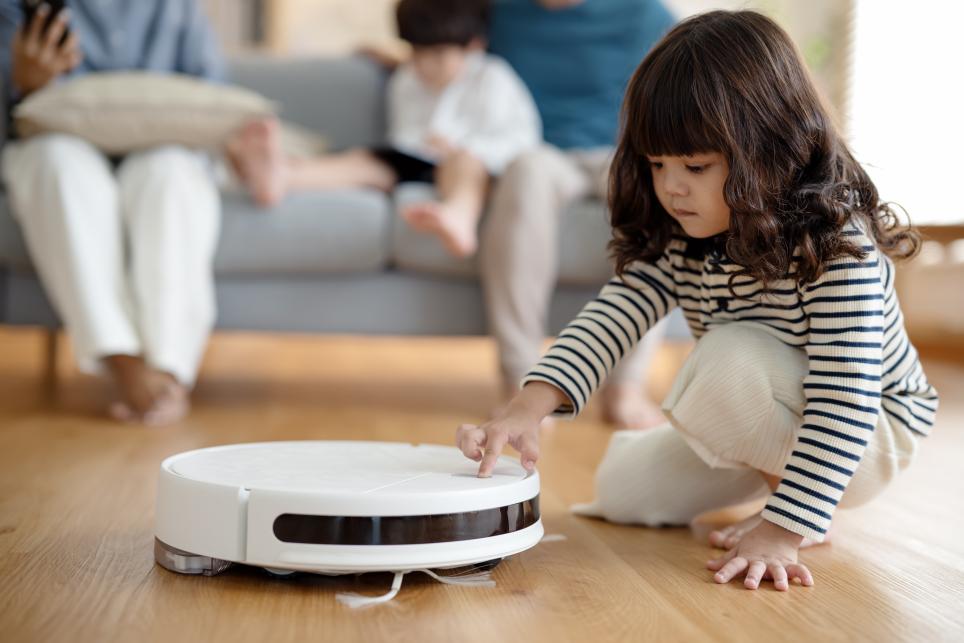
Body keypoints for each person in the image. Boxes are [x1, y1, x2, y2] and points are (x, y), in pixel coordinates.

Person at [455, 10, 938, 591]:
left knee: (723, 360)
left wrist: (784, 529)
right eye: (658, 164)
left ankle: (803, 505)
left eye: (695, 166)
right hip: (767, 421)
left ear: (770, 147)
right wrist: (527, 406)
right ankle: (779, 487)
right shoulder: (684, 236)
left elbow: (845, 398)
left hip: (869, 432)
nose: (671, 186)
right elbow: (613, 316)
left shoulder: (838, 249)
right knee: (623, 490)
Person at [0, 0, 225, 425]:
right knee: (55, 162)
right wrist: (24, 88)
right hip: (57, 143)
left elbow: (214, 94)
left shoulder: (177, 8)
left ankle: (167, 368)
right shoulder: (17, 9)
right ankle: (124, 363)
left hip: (161, 147)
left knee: (171, 170)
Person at [480, 0, 676, 427]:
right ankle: (521, 385)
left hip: (623, 153)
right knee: (524, 172)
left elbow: (685, 81)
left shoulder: (644, 15)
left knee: (664, 193)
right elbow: (460, 59)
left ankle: (627, 387)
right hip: (541, 153)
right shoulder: (499, 12)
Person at [230, 0, 541, 259]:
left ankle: (459, 216)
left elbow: (522, 138)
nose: (424, 66)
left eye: (437, 56)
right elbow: (403, 133)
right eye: (416, 53)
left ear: (473, 46)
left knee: (465, 162)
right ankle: (280, 175)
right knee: (365, 161)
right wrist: (423, 144)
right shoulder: (407, 78)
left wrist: (460, 145)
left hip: (472, 165)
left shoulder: (493, 78)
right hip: (417, 161)